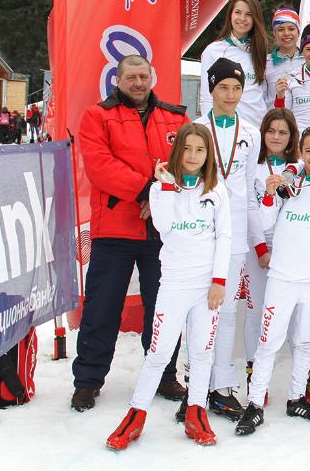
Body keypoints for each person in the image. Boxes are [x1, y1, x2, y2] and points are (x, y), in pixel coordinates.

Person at [72, 55, 189, 412]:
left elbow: (189, 163)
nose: (138, 83)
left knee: (163, 309)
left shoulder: (175, 117)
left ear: (152, 77)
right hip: (114, 228)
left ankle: (164, 375)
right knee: (102, 307)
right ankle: (88, 381)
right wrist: (145, 191)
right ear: (117, 80)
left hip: (162, 231)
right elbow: (100, 165)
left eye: (143, 76)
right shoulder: (97, 116)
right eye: (131, 77)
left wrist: (160, 197)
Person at [106, 123, 231, 450]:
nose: (193, 156)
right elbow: (164, 227)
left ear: (208, 155)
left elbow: (224, 236)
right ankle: (136, 415)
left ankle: (196, 413)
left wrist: (219, 281)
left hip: (207, 287)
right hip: (174, 285)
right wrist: (165, 187)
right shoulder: (161, 189)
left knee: (202, 353)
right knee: (159, 353)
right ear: (177, 152)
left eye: (200, 150)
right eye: (187, 149)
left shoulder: (216, 190)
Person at [236, 127, 310, 436]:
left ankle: (296, 398)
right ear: (301, 152)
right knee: (269, 342)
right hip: (282, 277)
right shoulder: (287, 184)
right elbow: (266, 222)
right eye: (309, 151)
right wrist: (270, 194)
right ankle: (255, 404)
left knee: (305, 341)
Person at [194, 57, 263, 421]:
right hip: (201, 231)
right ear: (211, 89)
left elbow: (249, 190)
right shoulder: (195, 129)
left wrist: (256, 238)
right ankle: (195, 383)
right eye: (223, 87)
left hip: (233, 235)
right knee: (197, 308)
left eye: (237, 88)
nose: (231, 94)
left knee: (228, 310)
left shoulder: (250, 132)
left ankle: (221, 385)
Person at [242, 109, 310, 405]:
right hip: (258, 245)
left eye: (283, 132)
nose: (276, 137)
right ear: (263, 133)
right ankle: (254, 374)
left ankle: (305, 376)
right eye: (271, 131)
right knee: (258, 311)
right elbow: (251, 209)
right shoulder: (253, 165)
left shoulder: (299, 167)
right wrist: (261, 248)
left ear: (292, 137)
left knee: (296, 317)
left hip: (290, 250)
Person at [199, 0, 270, 128]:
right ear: (230, 15)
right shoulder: (213, 51)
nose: (242, 18)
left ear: (255, 19)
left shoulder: (260, 51)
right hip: (227, 128)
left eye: (249, 14)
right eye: (238, 12)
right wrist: (209, 128)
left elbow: (264, 95)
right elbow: (206, 96)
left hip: (258, 129)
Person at [263, 6, 305, 104]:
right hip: (275, 113)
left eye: (291, 29)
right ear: (274, 33)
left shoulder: (309, 59)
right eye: (281, 29)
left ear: (298, 32)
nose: (286, 33)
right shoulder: (265, 63)